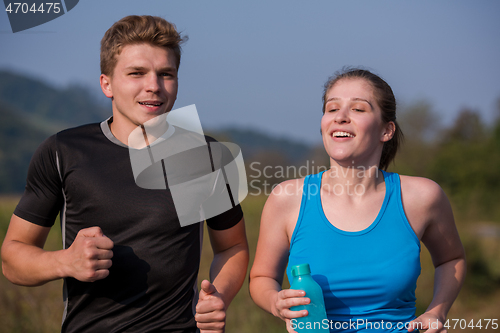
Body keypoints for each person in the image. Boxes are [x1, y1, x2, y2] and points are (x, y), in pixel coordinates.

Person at [1, 15, 249, 333]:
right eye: (136, 73)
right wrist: (65, 261)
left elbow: (232, 247)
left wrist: (220, 297)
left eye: (166, 74)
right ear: (107, 84)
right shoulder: (65, 151)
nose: (153, 86)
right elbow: (12, 258)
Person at [249, 68, 466, 333]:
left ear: (386, 130)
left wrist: (436, 312)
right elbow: (262, 278)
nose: (340, 117)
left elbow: (451, 259)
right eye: (332, 109)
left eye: (358, 110)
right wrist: (275, 301)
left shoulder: (422, 197)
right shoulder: (287, 198)